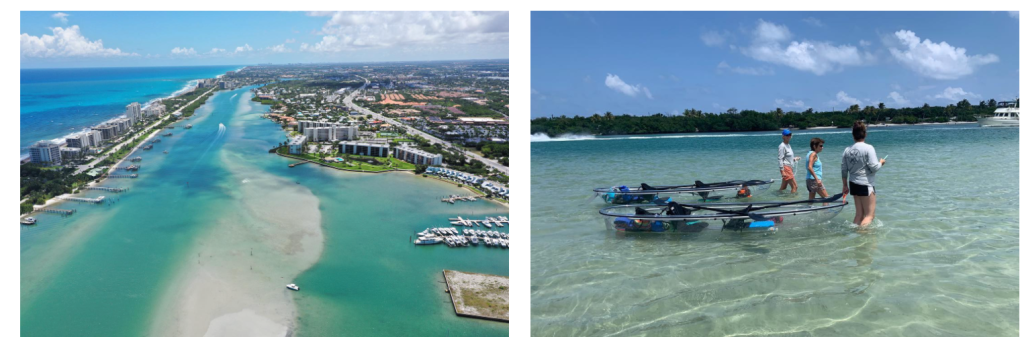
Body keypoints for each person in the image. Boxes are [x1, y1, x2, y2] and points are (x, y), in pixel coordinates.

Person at [841, 121, 886, 227]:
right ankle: (862, 238)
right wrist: (881, 163)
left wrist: (844, 185)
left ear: (853, 135)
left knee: (859, 215)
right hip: (865, 184)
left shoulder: (847, 150)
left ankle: (855, 236)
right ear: (865, 134)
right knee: (870, 216)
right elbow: (874, 168)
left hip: (853, 183)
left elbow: (843, 169)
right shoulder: (868, 148)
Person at [777, 129, 801, 194]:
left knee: (783, 187)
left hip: (789, 167)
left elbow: (787, 157)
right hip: (786, 168)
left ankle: (777, 197)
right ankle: (791, 201)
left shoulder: (788, 145)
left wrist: (794, 159)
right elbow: (780, 159)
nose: (788, 136)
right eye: (787, 135)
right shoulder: (782, 146)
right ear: (783, 136)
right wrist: (782, 171)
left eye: (790, 135)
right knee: (795, 186)